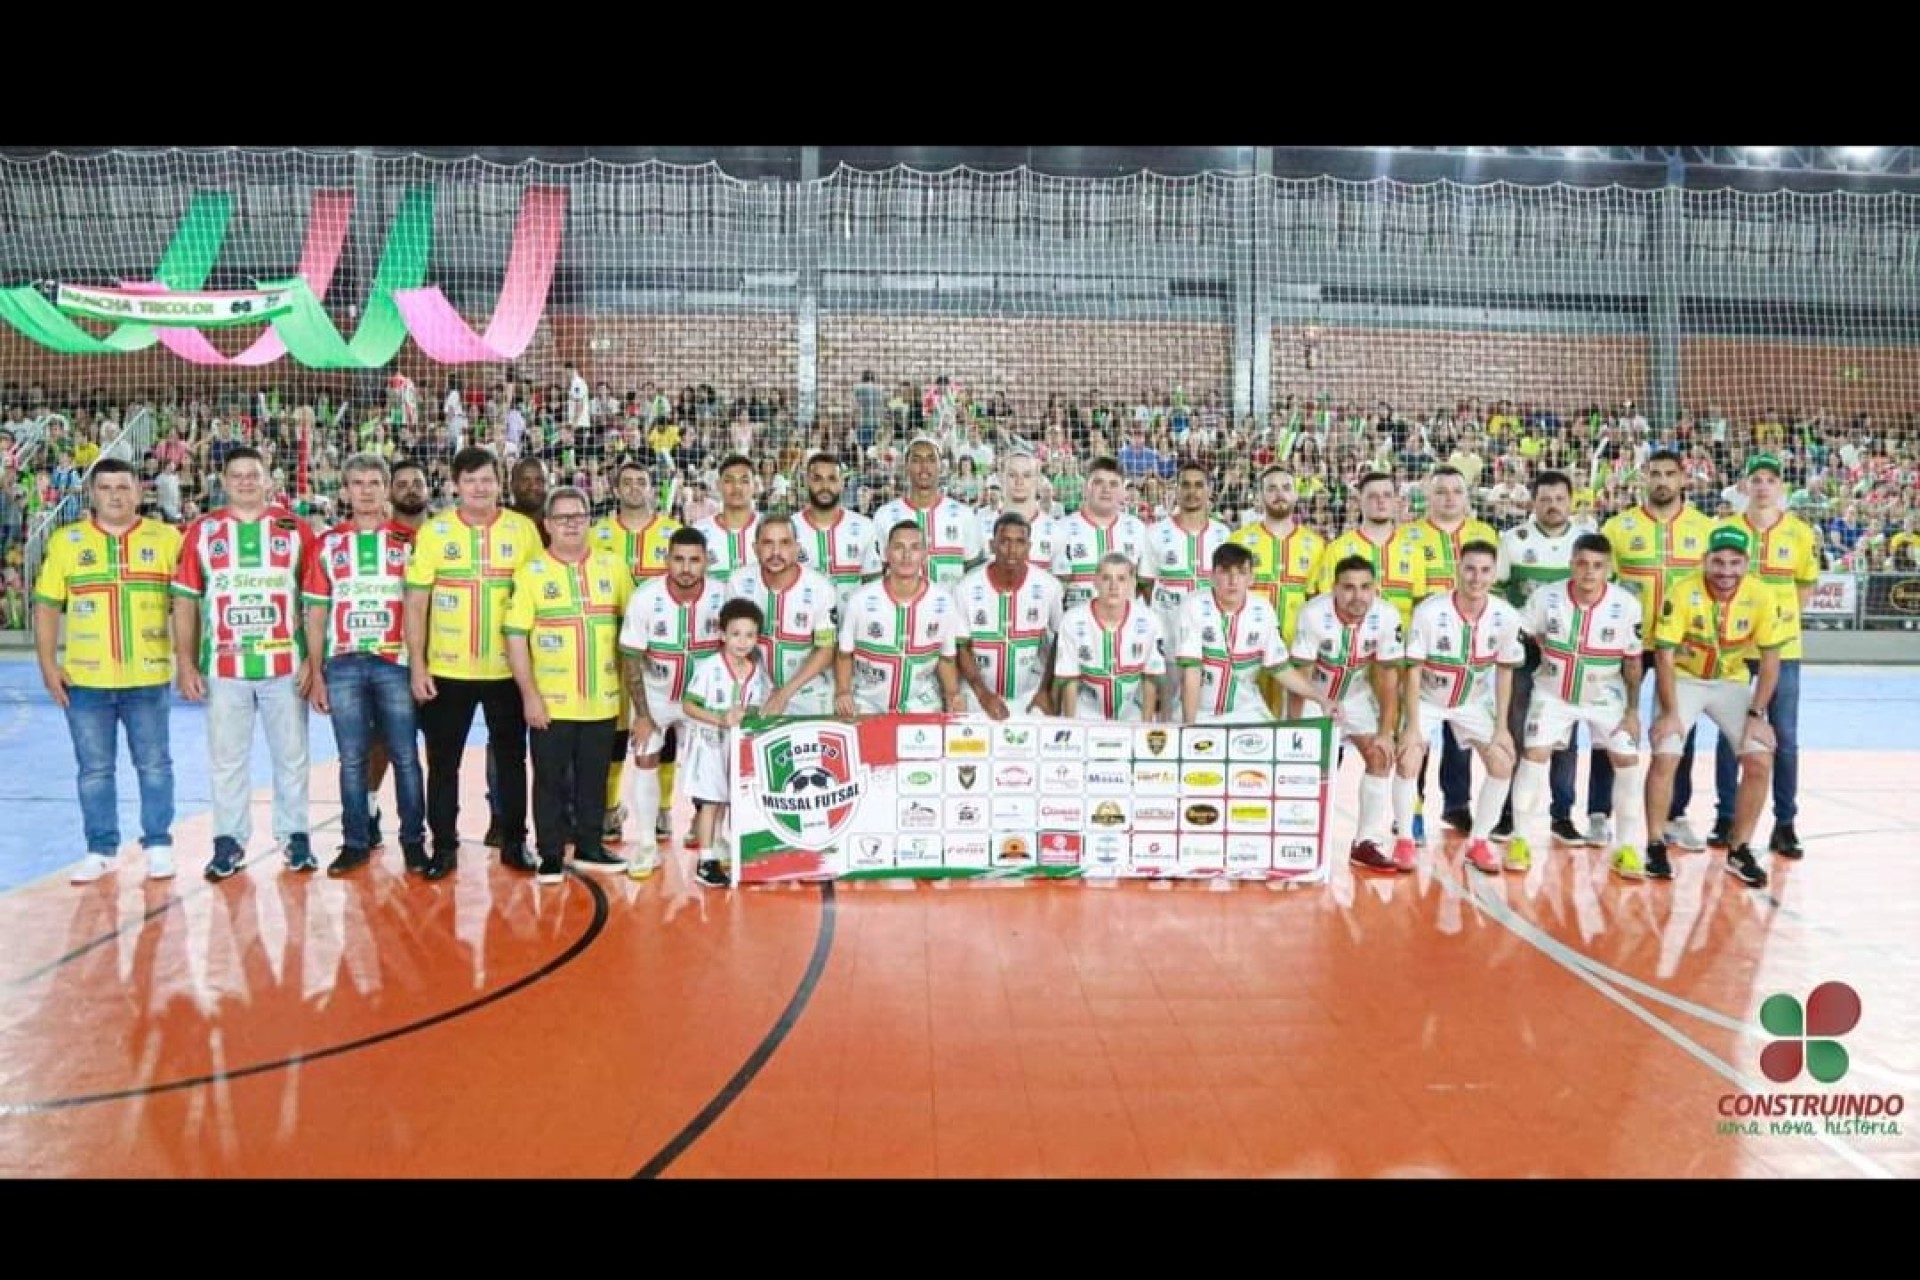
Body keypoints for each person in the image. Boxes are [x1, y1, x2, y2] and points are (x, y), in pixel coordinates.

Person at [171, 447, 318, 881]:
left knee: (292, 756)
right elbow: (185, 600)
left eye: (253, 474)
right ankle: (229, 840)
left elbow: (314, 602)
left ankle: (295, 836)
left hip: (285, 665)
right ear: (223, 480)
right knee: (227, 758)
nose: (246, 482)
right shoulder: (204, 529)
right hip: (223, 667)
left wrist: (313, 659)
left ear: (268, 479)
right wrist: (185, 663)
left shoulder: (294, 529)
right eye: (237, 475)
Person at [35, 458, 182, 883]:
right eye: (105, 487)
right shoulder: (67, 541)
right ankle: (100, 848)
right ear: (92, 494)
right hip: (86, 681)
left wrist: (189, 659)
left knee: (155, 764)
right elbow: (46, 606)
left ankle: (158, 843)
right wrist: (47, 664)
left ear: (139, 492)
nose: (115, 495)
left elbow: (189, 604)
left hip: (148, 677)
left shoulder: (167, 539)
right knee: (94, 769)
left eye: (123, 487)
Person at [404, 446, 542, 880]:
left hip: (506, 672)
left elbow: (538, 598)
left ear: (498, 483)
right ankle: (444, 846)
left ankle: (515, 841)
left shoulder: (522, 531)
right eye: (470, 480)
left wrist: (533, 673)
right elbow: (416, 602)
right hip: (448, 671)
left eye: (487, 479)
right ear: (455, 486)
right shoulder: (435, 532)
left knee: (512, 760)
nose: (479, 488)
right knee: (444, 764)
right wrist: (418, 666)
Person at [1645, 526, 1792, 888]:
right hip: (1684, 678)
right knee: (1666, 752)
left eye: (1735, 563)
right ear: (1705, 560)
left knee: (1759, 757)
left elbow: (1772, 660)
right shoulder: (1682, 591)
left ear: (1746, 564)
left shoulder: (1761, 595)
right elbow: (1663, 656)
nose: (1726, 571)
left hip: (1731, 682)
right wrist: (1669, 712)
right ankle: (1654, 843)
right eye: (1718, 562)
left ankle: (1739, 849)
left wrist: (1758, 716)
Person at [302, 453, 427, 877]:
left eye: (375, 482)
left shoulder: (410, 542)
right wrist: (316, 672)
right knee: (352, 758)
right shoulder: (328, 544)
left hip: (395, 663)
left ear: (386, 488)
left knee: (406, 756)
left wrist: (419, 664)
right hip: (343, 666)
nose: (367, 490)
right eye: (358, 483)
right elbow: (316, 614)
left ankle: (414, 843)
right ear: (346, 490)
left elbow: (418, 607)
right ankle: (356, 841)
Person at [504, 485, 636, 883]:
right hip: (552, 703)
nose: (571, 524)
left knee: (595, 778)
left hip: (603, 699)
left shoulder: (613, 567)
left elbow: (633, 632)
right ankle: (549, 853)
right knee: (548, 780)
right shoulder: (530, 574)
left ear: (589, 520)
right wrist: (530, 697)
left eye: (578, 516)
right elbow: (514, 637)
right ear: (547, 525)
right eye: (562, 518)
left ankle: (590, 845)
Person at [1592, 448, 1717, 851]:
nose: (1662, 480)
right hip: (1627, 642)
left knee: (1678, 726)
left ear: (1684, 479)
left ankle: (1675, 814)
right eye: (1655, 473)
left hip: (1679, 645)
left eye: (1670, 473)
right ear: (1644, 478)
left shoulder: (1705, 528)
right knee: (1609, 722)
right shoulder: (1619, 526)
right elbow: (1600, 583)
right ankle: (1599, 813)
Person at [1507, 533, 1647, 879]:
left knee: (1627, 759)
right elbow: (1520, 630)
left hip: (1606, 696)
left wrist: (1632, 711)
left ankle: (1627, 847)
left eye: (1597, 566)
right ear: (1571, 563)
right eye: (1582, 563)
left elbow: (1632, 662)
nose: (1588, 572)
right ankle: (1520, 840)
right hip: (1553, 693)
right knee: (1534, 754)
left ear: (1608, 569)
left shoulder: (1626, 605)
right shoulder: (1546, 597)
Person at [1709, 453, 1819, 859]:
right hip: (1736, 648)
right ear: (1744, 486)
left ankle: (1784, 823)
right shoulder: (1726, 531)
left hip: (1783, 648)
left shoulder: (1801, 533)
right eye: (1756, 479)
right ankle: (1726, 816)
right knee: (1730, 735)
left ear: (1780, 488)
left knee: (1784, 737)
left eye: (1770, 479)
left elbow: (1805, 585)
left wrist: (1779, 622)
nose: (1763, 486)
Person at [1395, 541, 1523, 875]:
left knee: (1502, 762)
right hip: (1427, 700)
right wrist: (1410, 727)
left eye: (1484, 570)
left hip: (1472, 702)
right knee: (1409, 759)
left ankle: (1479, 842)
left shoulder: (1506, 616)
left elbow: (1506, 670)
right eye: (1469, 569)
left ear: (1494, 573)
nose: (1476, 578)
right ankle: (1405, 839)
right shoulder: (1429, 612)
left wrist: (1501, 727)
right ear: (1457, 569)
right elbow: (1413, 670)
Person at [1493, 469, 1595, 844]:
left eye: (1559, 499)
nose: (1552, 506)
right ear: (1532, 502)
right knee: (1515, 729)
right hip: (1524, 650)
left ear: (1571, 501)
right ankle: (1507, 813)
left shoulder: (1585, 542)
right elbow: (1497, 593)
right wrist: (1518, 628)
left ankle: (1562, 815)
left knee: (1564, 733)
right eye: (1545, 499)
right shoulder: (1513, 540)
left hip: (1571, 653)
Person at [619, 527, 726, 872]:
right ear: (666, 559)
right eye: (678, 559)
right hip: (656, 698)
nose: (685, 568)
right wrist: (643, 714)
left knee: (714, 766)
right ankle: (648, 844)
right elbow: (632, 656)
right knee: (646, 760)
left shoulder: (722, 595)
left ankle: (713, 834)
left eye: (694, 560)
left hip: (702, 701)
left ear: (706, 561)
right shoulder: (646, 597)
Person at [591, 460, 683, 847]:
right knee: (615, 734)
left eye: (640, 482)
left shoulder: (672, 532)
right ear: (615, 489)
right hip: (612, 651)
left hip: (663, 653)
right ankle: (610, 810)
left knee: (663, 731)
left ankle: (663, 811)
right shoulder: (598, 534)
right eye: (626, 482)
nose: (633, 488)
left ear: (652, 488)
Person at [1291, 555, 1403, 872]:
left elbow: (1387, 678)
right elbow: (1300, 672)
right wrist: (1295, 728)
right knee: (1305, 766)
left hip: (1356, 695)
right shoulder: (1313, 614)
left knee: (1380, 756)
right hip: (1317, 694)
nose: (1358, 596)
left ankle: (1365, 842)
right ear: (1334, 589)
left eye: (1366, 587)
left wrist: (1385, 730)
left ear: (1375, 588)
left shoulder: (1386, 615)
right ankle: (1300, 835)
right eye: (1349, 588)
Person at [1408, 465, 1502, 835]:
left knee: (1462, 729)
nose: (1449, 497)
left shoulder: (1484, 534)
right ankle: (1412, 809)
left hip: (1471, 648)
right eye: (1441, 491)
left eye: (1456, 491)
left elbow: (1497, 586)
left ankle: (1457, 804)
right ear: (1428, 496)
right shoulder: (1410, 535)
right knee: (1418, 732)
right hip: (1424, 647)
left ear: (1467, 496)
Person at [1178, 542, 1331, 725]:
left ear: (1251, 579)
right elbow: (1191, 671)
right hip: (1200, 711)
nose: (1233, 581)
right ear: (1212, 576)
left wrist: (1322, 699)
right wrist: (1190, 727)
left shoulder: (1263, 609)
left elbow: (1280, 668)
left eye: (1241, 573)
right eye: (1226, 571)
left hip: (1247, 709)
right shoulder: (1193, 605)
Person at [680, 598, 773, 890]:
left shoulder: (756, 671)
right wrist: (720, 719)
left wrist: (752, 714)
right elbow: (689, 706)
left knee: (729, 800)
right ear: (722, 634)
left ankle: (728, 850)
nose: (742, 641)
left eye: (749, 635)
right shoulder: (709, 668)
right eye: (735, 634)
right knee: (710, 802)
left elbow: (758, 706)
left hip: (737, 748)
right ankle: (705, 861)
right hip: (710, 746)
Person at [836, 521, 966, 716]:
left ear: (924, 554)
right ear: (887, 553)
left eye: (915, 548)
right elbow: (844, 654)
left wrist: (953, 694)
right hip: (866, 704)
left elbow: (946, 659)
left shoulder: (943, 601)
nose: (906, 556)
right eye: (899, 547)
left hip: (921, 705)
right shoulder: (860, 600)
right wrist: (843, 691)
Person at [1226, 466, 1326, 714]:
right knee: (1249, 713)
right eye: (1271, 488)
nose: (1279, 494)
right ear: (1260, 496)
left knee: (1293, 714)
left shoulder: (1315, 544)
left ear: (1296, 495)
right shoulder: (1239, 540)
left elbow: (1319, 600)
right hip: (1250, 642)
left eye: (1286, 488)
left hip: (1297, 644)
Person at [1142, 463, 1230, 722]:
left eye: (1199, 485)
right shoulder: (1156, 533)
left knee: (1203, 708)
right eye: (1186, 484)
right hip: (1168, 637)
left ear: (1209, 491)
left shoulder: (1222, 534)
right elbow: (1146, 584)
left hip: (1208, 637)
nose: (1192, 491)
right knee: (1168, 709)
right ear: (1176, 490)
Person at [726, 515, 838, 717]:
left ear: (797, 548)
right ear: (755, 548)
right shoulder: (738, 582)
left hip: (810, 693)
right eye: (768, 543)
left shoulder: (820, 587)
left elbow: (826, 649)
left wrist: (784, 694)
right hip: (757, 691)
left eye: (785, 543)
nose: (776, 552)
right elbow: (731, 644)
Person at [954, 512, 1063, 719]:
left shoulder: (1049, 586)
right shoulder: (966, 587)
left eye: (1020, 542)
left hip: (1031, 691)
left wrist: (1044, 690)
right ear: (992, 545)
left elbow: (1061, 638)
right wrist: (983, 694)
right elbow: (961, 646)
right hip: (979, 691)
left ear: (1029, 548)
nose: (1012, 550)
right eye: (1004, 542)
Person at [1055, 553, 1164, 722]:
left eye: (1121, 579)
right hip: (1086, 715)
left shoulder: (1150, 620)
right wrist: (1072, 726)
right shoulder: (1072, 619)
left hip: (1132, 714)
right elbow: (1070, 679)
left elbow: (1150, 677)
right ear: (1095, 581)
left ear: (1132, 583)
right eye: (1106, 578)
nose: (1114, 586)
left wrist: (1146, 725)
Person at [869, 437, 984, 588]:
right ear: (906, 467)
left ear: (941, 467)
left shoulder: (965, 515)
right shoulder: (884, 515)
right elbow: (880, 571)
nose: (924, 467)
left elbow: (973, 571)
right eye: (916, 460)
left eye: (931, 460)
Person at [1049, 455, 1150, 613]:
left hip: (1125, 630)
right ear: (1085, 488)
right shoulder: (1061, 529)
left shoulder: (1138, 529)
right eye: (1098, 482)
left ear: (1123, 492)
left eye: (1113, 484)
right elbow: (1055, 587)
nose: (1106, 489)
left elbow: (1145, 583)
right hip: (1077, 628)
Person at [792, 451, 878, 613]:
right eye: (817, 479)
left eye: (832, 479)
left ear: (841, 483)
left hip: (853, 631)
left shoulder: (864, 527)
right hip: (802, 630)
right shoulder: (790, 527)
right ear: (806, 482)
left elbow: (873, 584)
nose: (825, 486)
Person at [692, 454, 761, 585]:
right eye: (729, 481)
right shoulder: (699, 531)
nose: (737, 487)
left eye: (744, 481)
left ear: (755, 486)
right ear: (718, 485)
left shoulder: (769, 528)